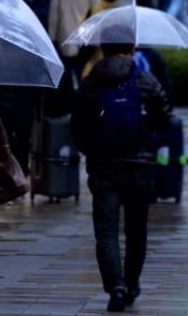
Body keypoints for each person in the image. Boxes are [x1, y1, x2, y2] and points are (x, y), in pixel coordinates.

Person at [71, 25, 171, 312]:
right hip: (139, 168)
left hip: (103, 168)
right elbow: (163, 119)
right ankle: (132, 284)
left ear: (102, 48)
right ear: (132, 48)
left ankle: (115, 287)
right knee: (136, 229)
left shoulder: (90, 82)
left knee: (106, 230)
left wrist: (93, 152)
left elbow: (78, 127)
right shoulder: (145, 80)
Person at [46, 0, 101, 117]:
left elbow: (54, 18)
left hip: (65, 40)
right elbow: (97, 16)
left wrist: (52, 39)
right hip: (87, 42)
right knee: (86, 78)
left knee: (67, 80)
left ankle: (71, 109)